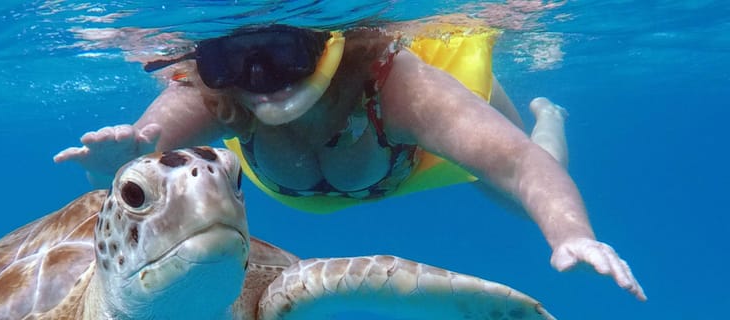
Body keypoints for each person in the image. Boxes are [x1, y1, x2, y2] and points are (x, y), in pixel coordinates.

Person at [54, 23, 646, 301]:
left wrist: (574, 233)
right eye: (231, 60)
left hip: (410, 158)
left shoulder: (402, 88)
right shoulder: (215, 89)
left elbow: (521, 166)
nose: (257, 79)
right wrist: (118, 160)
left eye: (282, 51)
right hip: (326, 178)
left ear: (329, 42)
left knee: (511, 194)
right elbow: (135, 175)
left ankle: (552, 117)